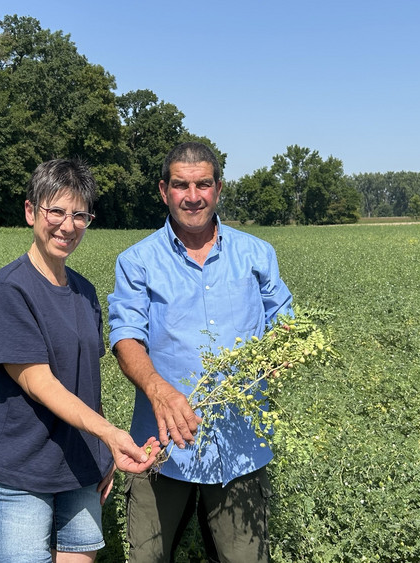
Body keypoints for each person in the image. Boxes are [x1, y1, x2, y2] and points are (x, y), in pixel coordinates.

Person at [108, 142, 293, 562]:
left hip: (239, 445)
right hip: (161, 445)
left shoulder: (256, 254)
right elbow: (125, 338)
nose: (193, 196)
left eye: (203, 184)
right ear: (163, 190)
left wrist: (283, 352)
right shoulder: (137, 261)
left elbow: (285, 320)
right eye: (181, 185)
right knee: (147, 559)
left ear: (218, 188)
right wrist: (158, 389)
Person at [0, 158, 160, 563]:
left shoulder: (85, 292)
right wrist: (112, 435)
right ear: (31, 211)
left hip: (79, 473)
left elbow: (85, 381)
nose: (67, 224)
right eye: (56, 211)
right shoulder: (11, 290)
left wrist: (102, 450)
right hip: (22, 476)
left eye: (80, 214)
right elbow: (40, 384)